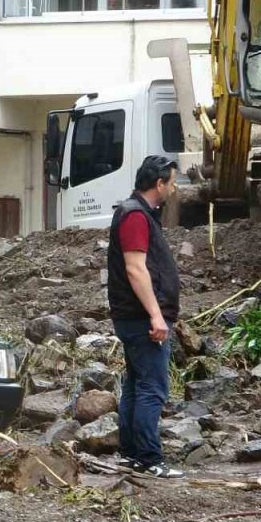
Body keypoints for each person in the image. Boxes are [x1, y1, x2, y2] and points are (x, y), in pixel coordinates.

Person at [107, 156, 185, 478]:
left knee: (137, 385)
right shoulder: (136, 216)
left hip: (132, 316)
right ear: (159, 184)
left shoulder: (137, 213)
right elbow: (136, 269)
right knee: (152, 388)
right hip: (140, 318)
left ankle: (130, 454)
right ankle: (150, 458)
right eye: (172, 182)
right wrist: (156, 315)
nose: (174, 188)